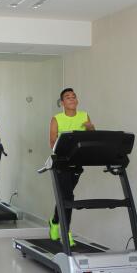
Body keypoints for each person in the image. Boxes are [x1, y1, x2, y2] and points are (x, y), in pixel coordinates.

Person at [47, 88, 95, 246]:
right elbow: (52, 142)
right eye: (68, 97)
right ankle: (66, 233)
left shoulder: (84, 116)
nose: (72, 99)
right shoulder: (56, 119)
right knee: (68, 196)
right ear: (62, 103)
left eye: (74, 97)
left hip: (78, 162)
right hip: (62, 162)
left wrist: (90, 129)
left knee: (65, 196)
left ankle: (54, 221)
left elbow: (92, 136)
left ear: (77, 100)